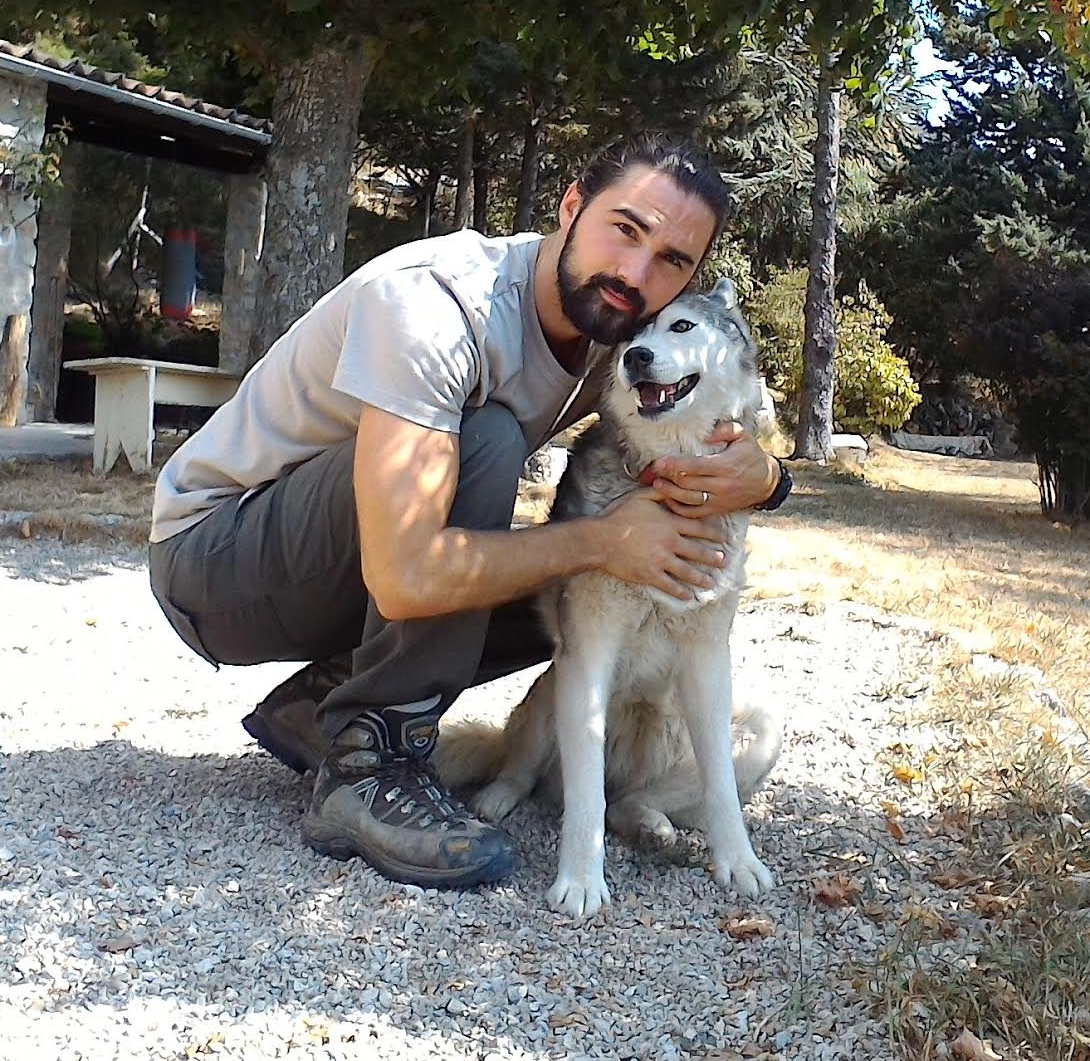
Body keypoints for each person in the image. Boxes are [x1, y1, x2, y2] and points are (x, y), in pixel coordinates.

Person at [148, 133, 790, 890]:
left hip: (332, 561)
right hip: (216, 559)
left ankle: (327, 699)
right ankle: (368, 764)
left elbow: (718, 413)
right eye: (626, 229)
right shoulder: (439, 303)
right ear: (572, 206)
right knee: (486, 443)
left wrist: (768, 479)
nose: (637, 273)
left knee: (582, 592)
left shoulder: (613, 331)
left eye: (673, 262)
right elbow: (406, 574)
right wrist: (603, 542)